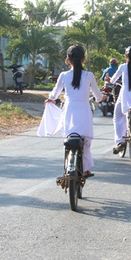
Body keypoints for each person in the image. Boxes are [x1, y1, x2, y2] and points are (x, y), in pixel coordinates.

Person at [44, 45, 106, 178]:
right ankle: (86, 169)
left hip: (69, 111)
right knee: (85, 142)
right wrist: (101, 98)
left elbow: (54, 94)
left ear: (67, 60)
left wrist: (50, 100)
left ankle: (68, 166)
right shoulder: (89, 75)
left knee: (69, 139)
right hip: (84, 110)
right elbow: (98, 96)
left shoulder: (63, 75)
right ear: (83, 59)